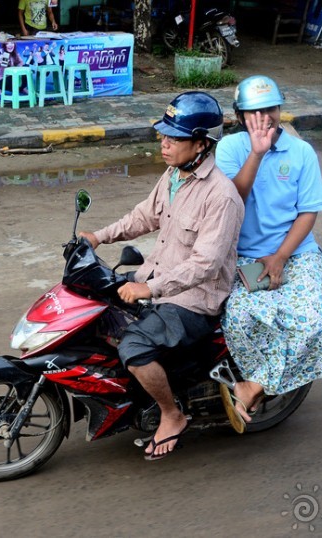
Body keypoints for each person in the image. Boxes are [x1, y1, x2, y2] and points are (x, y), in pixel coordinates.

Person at [78, 92, 244, 461]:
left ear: (202, 144)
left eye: (174, 138)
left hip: (192, 302)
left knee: (133, 348)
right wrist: (98, 236)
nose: (164, 144)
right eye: (163, 135)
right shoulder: (174, 175)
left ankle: (172, 415)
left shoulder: (222, 197)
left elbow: (206, 265)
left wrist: (147, 287)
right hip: (159, 281)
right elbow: (144, 217)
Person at [214, 75, 322, 433]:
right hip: (243, 256)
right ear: (239, 116)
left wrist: (280, 257)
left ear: (280, 110)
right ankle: (257, 380)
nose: (264, 118)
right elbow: (232, 202)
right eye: (254, 112)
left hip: (296, 253)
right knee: (237, 315)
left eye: (271, 109)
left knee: (310, 322)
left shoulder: (302, 152)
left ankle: (255, 386)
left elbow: (308, 212)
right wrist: (256, 153)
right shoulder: (229, 149)